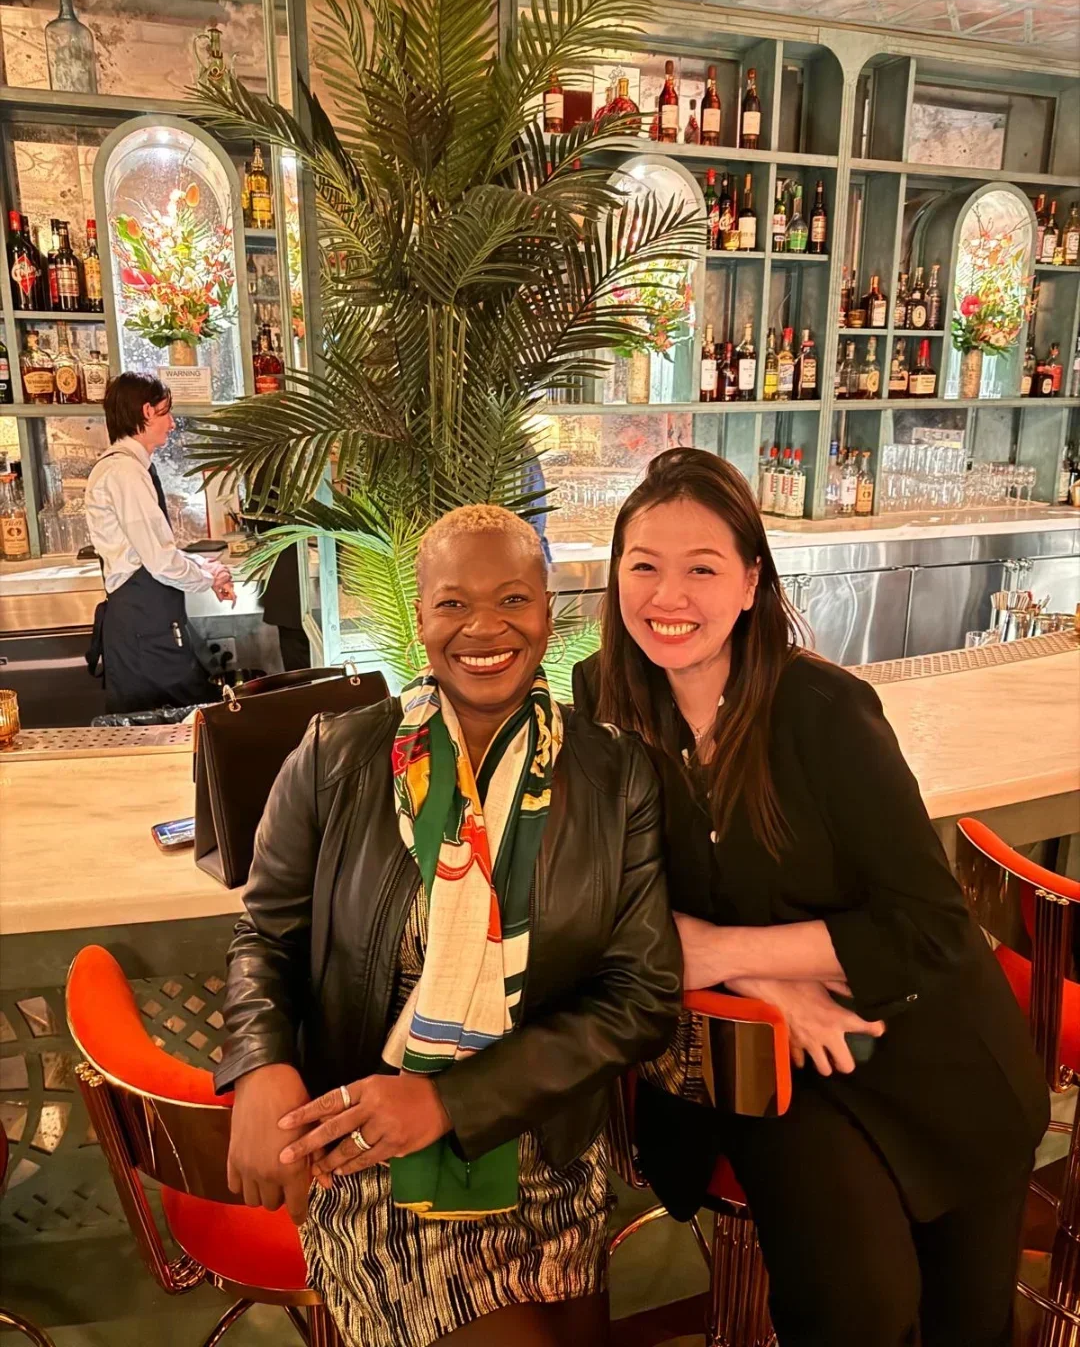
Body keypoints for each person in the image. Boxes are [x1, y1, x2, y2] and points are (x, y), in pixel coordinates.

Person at [573, 447, 1048, 1347]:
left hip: (923, 1042)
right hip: (771, 1062)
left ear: (751, 582)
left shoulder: (826, 713)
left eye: (702, 568)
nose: (668, 597)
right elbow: (604, 897)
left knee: (964, 1326)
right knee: (855, 1311)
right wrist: (767, 986)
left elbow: (930, 928)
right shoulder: (605, 699)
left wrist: (718, 950)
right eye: (644, 566)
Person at [216, 503, 681, 1347]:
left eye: (512, 600)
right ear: (420, 617)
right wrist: (259, 1064)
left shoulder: (617, 776)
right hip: (371, 1160)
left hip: (547, 1151)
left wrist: (448, 1100)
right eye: (453, 604)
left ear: (549, 611)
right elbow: (264, 939)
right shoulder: (334, 758)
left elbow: (641, 998)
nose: (484, 629)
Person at [84, 372, 234, 713]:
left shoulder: (129, 468)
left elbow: (150, 550)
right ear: (147, 412)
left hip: (146, 625)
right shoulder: (125, 473)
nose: (171, 422)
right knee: (176, 728)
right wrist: (210, 578)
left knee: (177, 724)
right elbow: (160, 561)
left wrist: (204, 567)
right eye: (166, 412)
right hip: (144, 633)